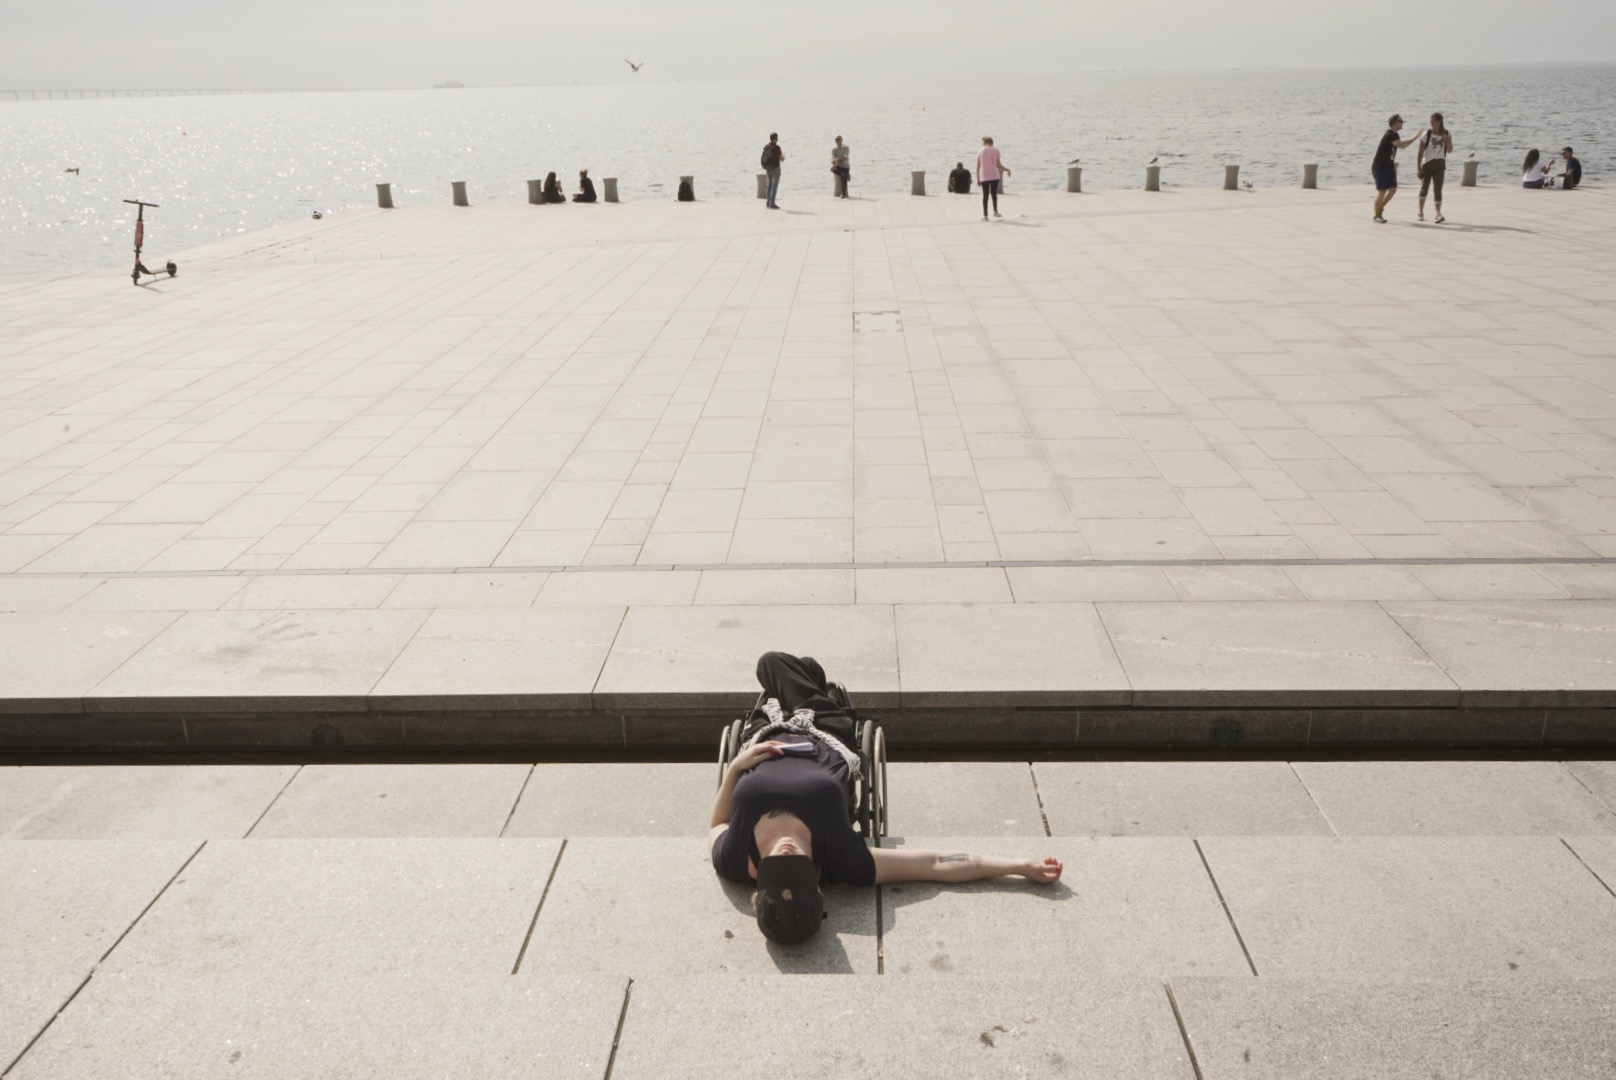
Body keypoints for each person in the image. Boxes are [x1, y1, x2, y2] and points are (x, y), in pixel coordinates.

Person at [710, 651, 1064, 945]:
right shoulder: (843, 859)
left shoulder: (735, 858)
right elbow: (934, 864)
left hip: (764, 732)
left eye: (776, 865)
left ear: (759, 880)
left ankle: (809, 675)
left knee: (773, 664)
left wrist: (736, 769)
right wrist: (1019, 866)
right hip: (824, 728)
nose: (786, 853)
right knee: (776, 665)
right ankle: (811, 679)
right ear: (818, 884)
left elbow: (716, 824)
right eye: (797, 866)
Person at [1372, 114, 1423, 223]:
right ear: (1395, 123)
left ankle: (1380, 209)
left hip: (1389, 166)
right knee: (1382, 191)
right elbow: (1402, 145)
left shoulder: (1395, 134)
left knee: (1392, 190)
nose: (1402, 123)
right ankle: (1377, 215)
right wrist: (1415, 137)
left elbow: (1401, 145)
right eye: (1401, 121)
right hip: (1380, 167)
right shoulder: (1389, 135)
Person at [1415, 112, 1452, 223]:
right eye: (1430, 122)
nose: (1431, 124)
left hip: (1440, 164)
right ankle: (1420, 212)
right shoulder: (1427, 134)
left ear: (1439, 122)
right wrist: (1419, 168)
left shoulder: (1446, 133)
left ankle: (1438, 214)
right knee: (1424, 188)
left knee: (1438, 189)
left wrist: (1447, 140)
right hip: (1427, 164)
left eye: (1433, 122)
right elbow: (1420, 152)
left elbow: (1450, 150)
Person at [976, 136, 1011, 221]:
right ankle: (995, 211)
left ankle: (985, 216)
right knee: (994, 194)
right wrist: (1008, 170)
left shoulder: (980, 151)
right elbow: (999, 165)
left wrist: (978, 179)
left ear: (985, 142)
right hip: (995, 176)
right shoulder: (996, 150)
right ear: (992, 142)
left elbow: (978, 167)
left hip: (984, 176)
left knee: (985, 195)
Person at [761, 133, 784, 209]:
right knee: (774, 186)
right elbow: (781, 159)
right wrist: (783, 157)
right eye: (777, 138)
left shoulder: (766, 147)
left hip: (768, 168)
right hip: (776, 169)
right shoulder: (777, 148)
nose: (777, 140)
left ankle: (768, 203)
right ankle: (772, 203)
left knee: (769, 186)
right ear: (775, 139)